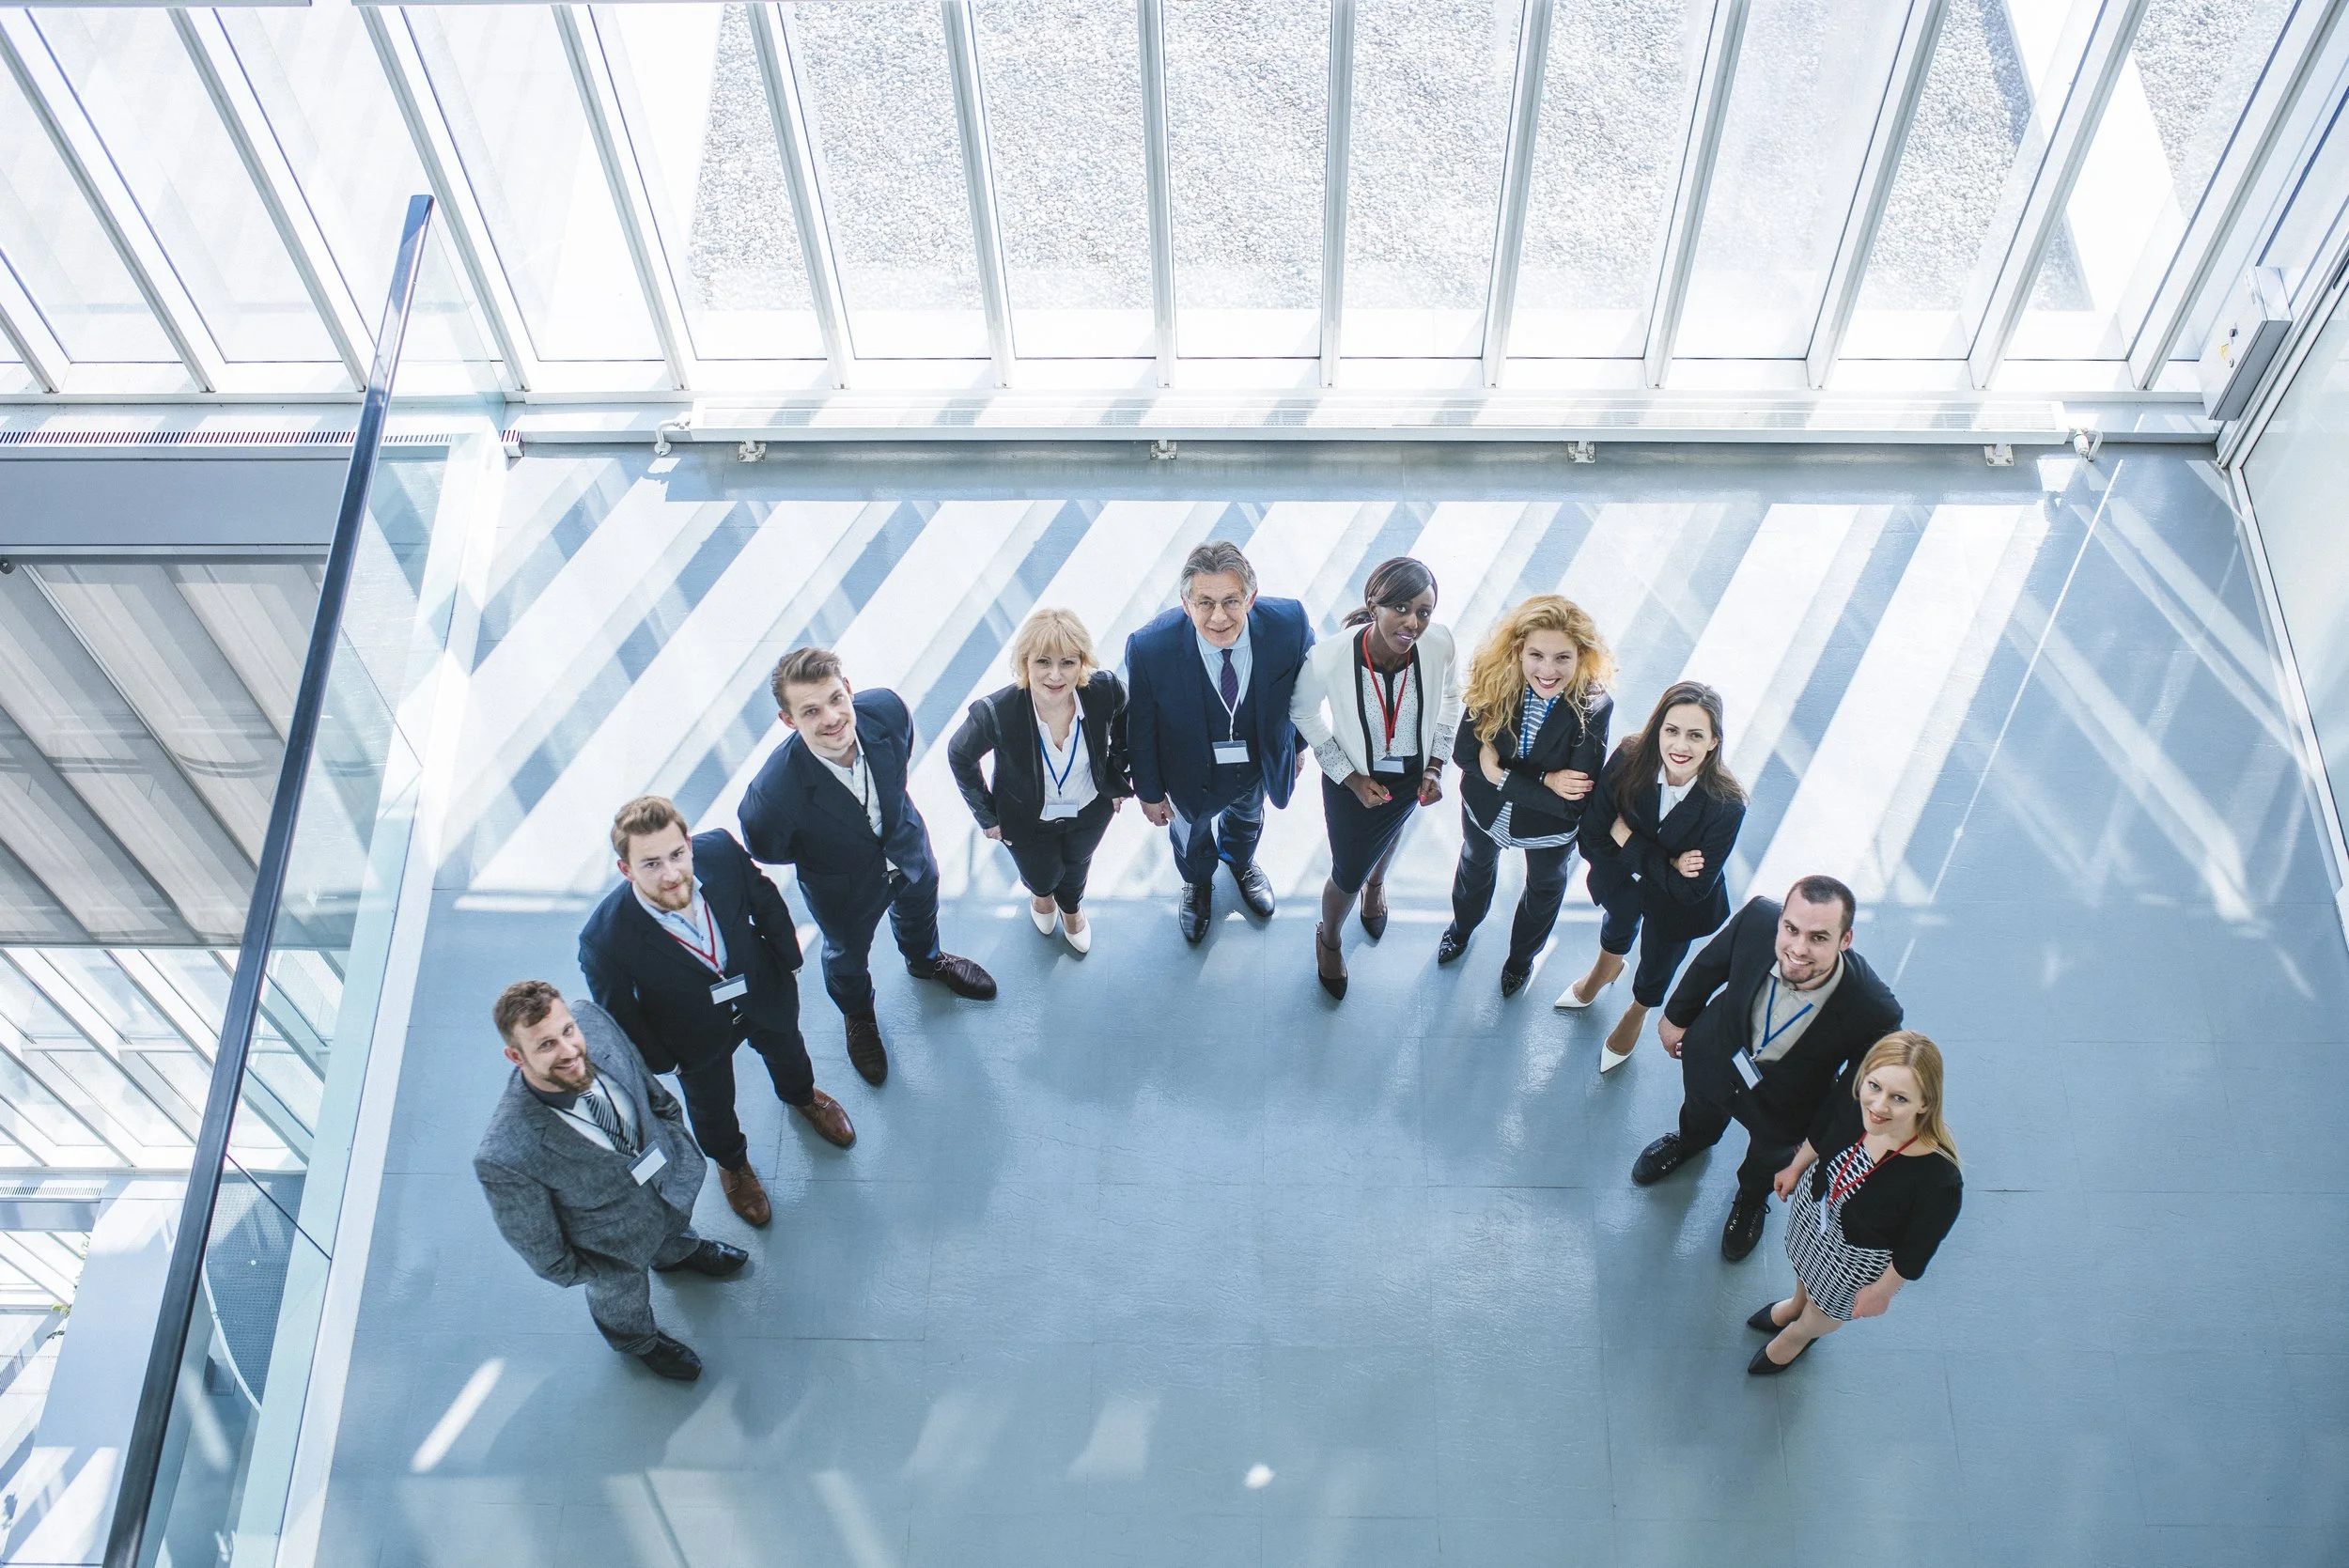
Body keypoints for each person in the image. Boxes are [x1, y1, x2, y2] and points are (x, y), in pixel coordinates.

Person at [579, 796, 857, 1230]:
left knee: (788, 1050)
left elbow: (764, 900)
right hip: (693, 1037)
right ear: (626, 869)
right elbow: (622, 1016)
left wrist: (789, 960)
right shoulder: (604, 939)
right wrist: (665, 1061)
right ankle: (733, 1163)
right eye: (651, 864)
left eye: (676, 854)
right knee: (710, 1107)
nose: (671, 874)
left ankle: (803, 1097)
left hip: (763, 992)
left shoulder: (722, 853)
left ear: (689, 844)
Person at [739, 646, 996, 1087]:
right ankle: (858, 1014)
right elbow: (769, 848)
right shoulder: (771, 796)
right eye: (811, 711)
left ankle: (926, 961)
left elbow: (898, 770)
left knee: (920, 908)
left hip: (906, 846)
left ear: (849, 690)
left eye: (837, 699)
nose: (833, 718)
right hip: (841, 886)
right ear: (789, 720)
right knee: (846, 954)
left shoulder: (887, 712)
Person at [474, 982, 747, 1384]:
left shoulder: (592, 1020)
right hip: (610, 1250)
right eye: (545, 1045)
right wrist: (592, 1270)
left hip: (663, 1183)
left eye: (567, 1031)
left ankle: (677, 1253)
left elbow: (649, 1090)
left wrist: (672, 1126)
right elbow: (535, 1239)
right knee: (622, 1299)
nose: (569, 1051)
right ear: (516, 1056)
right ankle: (636, 1341)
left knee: (673, 1225)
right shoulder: (505, 1153)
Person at [1630, 875, 1903, 1263]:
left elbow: (1855, 1092)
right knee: (1699, 1108)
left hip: (1788, 1104)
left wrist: (1813, 1143)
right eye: (1791, 929)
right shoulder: (1758, 917)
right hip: (1715, 1055)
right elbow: (1711, 964)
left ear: (1846, 940)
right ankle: (1691, 1141)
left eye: (1819, 938)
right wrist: (1676, 1017)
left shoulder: (1875, 1010)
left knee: (1769, 1157)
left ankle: (1751, 1199)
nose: (1798, 948)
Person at [1124, 541, 1315, 943]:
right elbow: (1139, 727)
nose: (1218, 617)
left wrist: (1296, 746)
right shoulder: (1149, 648)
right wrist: (1149, 792)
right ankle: (1198, 884)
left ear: (1252, 597)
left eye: (1231, 600)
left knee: (1248, 819)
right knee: (1190, 838)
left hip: (1255, 765)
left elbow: (1304, 693)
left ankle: (1241, 862)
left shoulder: (1290, 624)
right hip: (1186, 774)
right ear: (1185, 603)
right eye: (1204, 602)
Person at [1289, 557, 1461, 998]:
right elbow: (1302, 712)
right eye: (1400, 608)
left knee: (1391, 833)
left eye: (1424, 611)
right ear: (1374, 605)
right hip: (1352, 780)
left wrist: (1436, 764)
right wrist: (1348, 778)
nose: (1413, 623)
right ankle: (1328, 939)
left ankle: (1377, 887)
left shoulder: (1438, 644)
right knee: (1347, 870)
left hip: (1410, 777)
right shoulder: (1330, 655)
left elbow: (1450, 698)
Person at [1559, 681, 1747, 1073]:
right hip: (1622, 882)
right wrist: (1669, 864)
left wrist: (1628, 839)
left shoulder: (1727, 806)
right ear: (1657, 728)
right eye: (1672, 730)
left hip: (1678, 906)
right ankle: (1605, 968)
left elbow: (1691, 889)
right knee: (1618, 921)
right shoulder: (1629, 757)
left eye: (1696, 735)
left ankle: (1638, 1010)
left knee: (1661, 957)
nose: (1681, 745)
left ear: (1714, 742)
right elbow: (1593, 833)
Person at [1750, 1031, 1963, 1374]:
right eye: (1875, 1086)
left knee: (1826, 1310)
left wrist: (1882, 1292)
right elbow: (1823, 1132)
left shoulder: (1938, 1180)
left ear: (1925, 1103)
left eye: (1899, 1098)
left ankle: (1798, 1334)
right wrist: (1796, 1168)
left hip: (1856, 1255)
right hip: (1816, 1210)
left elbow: (1916, 1250)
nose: (1878, 1107)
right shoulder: (1857, 1103)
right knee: (1805, 1269)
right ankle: (1796, 1305)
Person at [1436, 595, 1615, 997]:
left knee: (1544, 890)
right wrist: (1547, 778)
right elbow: (1465, 754)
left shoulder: (1595, 707)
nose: (1548, 671)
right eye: (1536, 655)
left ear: (1582, 656)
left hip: (1547, 828)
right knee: (1474, 868)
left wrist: (1500, 774)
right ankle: (1462, 930)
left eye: (1562, 658)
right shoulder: (1493, 681)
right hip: (1486, 813)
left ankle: (1520, 960)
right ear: (1517, 650)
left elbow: (1571, 806)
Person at [947, 607, 1130, 955]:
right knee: (1041, 875)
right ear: (1025, 663)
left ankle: (1072, 909)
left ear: (1082, 663)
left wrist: (1118, 774)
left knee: (1078, 863)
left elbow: (1127, 716)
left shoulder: (1103, 690)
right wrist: (987, 816)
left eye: (1068, 663)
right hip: (1026, 818)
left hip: (1090, 808)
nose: (1056, 676)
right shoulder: (996, 712)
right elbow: (960, 755)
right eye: (1043, 662)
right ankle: (1043, 898)